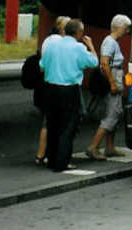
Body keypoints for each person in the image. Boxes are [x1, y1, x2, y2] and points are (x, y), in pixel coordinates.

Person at [40, 19, 98, 171]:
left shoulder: (52, 45)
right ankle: (62, 162)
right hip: (69, 89)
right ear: (79, 33)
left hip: (50, 88)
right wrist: (91, 46)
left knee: (53, 125)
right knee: (67, 127)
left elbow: (42, 65)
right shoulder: (78, 48)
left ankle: (51, 159)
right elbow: (93, 62)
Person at [86, 14, 131, 160]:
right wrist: (112, 82)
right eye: (126, 27)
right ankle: (93, 147)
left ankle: (110, 147)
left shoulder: (112, 42)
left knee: (115, 113)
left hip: (115, 76)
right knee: (112, 114)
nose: (127, 31)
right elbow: (104, 63)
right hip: (113, 77)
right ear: (119, 27)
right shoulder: (110, 42)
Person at [34, 15, 69, 166]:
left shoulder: (48, 40)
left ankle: (41, 155)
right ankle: (52, 155)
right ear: (63, 28)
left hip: (45, 83)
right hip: (59, 84)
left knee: (47, 122)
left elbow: (43, 65)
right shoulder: (61, 42)